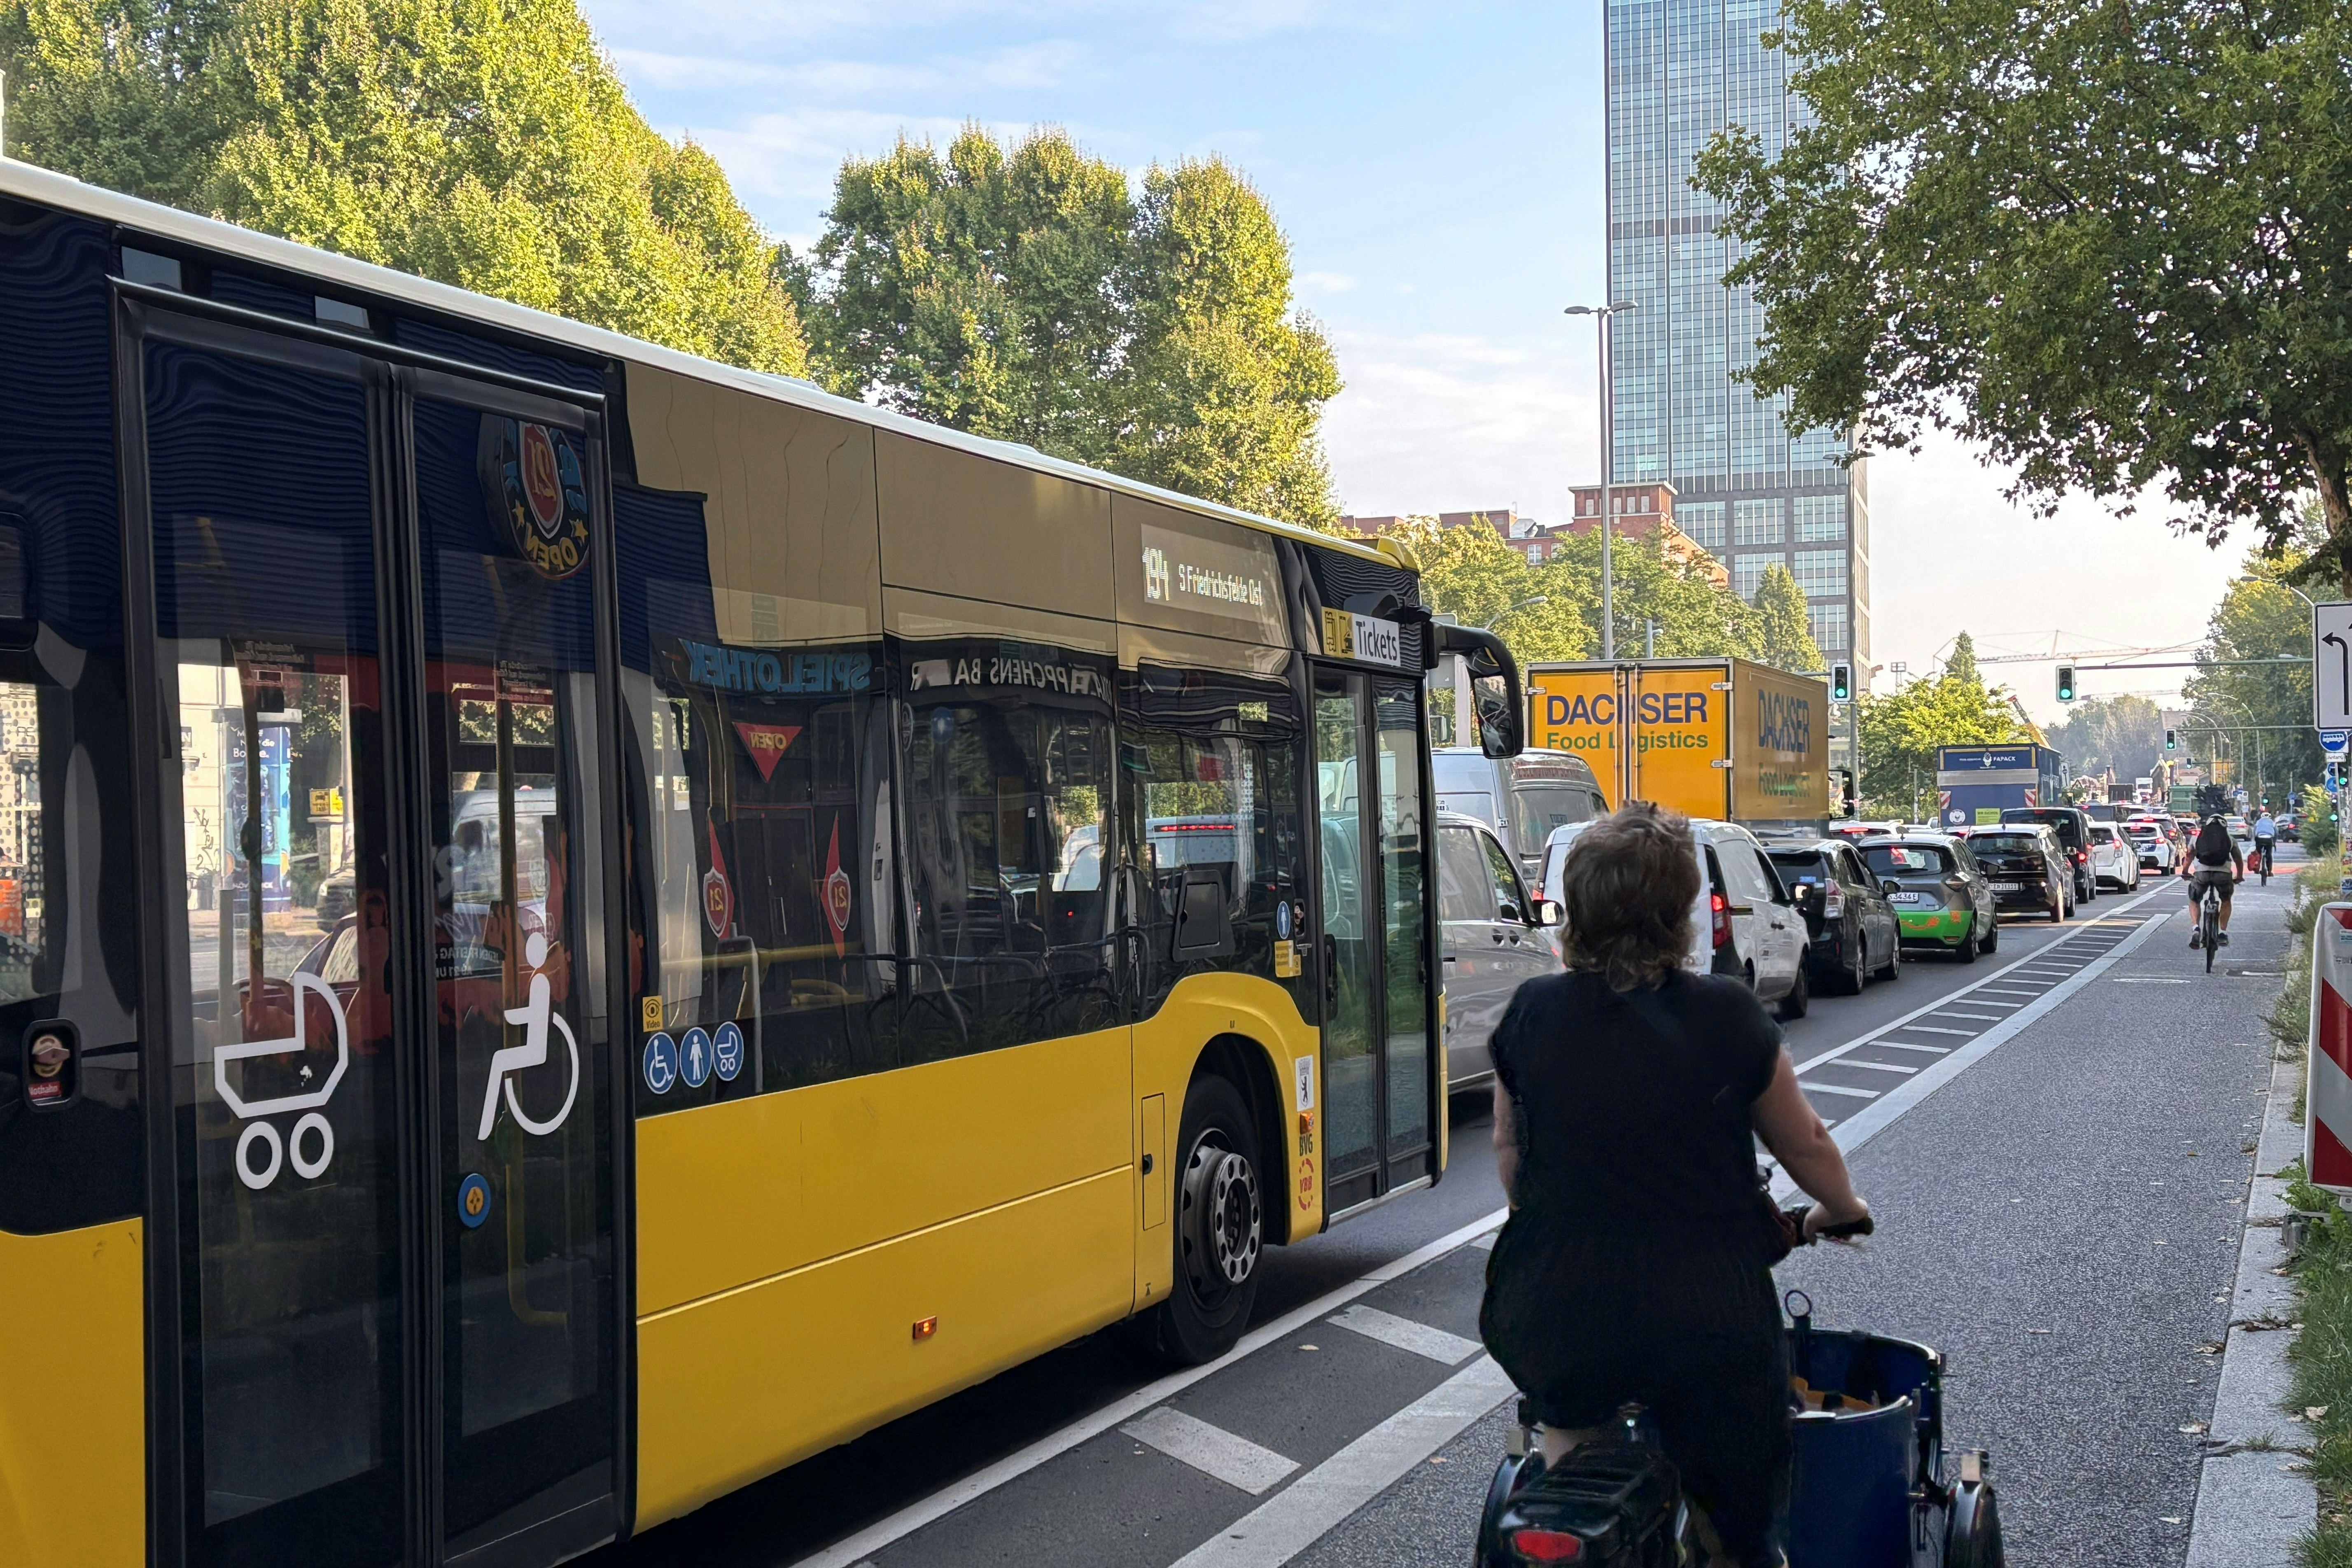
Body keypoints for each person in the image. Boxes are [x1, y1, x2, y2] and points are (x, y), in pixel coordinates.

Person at [1479, 804, 1869, 1568]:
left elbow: (1509, 1154)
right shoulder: (1725, 1012)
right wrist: (1843, 1209)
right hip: (1705, 1314)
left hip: (1560, 1307)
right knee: (1742, 1517)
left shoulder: (1531, 1011)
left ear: (1579, 907)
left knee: (1572, 1470)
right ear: (1679, 910)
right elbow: (1806, 1144)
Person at [2180, 810, 2243, 947]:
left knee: (2194, 900)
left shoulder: (2198, 839)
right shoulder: (2230, 840)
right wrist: (2239, 876)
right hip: (2223, 875)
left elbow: (2189, 856)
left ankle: (2196, 928)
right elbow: (2238, 859)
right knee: (2226, 900)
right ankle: (2223, 933)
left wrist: (2185, 872)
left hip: (2202, 874)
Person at [2253, 808, 2278, 877]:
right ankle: (2270, 872)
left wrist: (2256, 840)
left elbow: (2254, 831)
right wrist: (2275, 842)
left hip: (2259, 838)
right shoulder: (2272, 822)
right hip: (2269, 839)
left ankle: (2257, 869)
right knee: (2269, 854)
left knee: (2258, 854)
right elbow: (2276, 832)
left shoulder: (2258, 822)